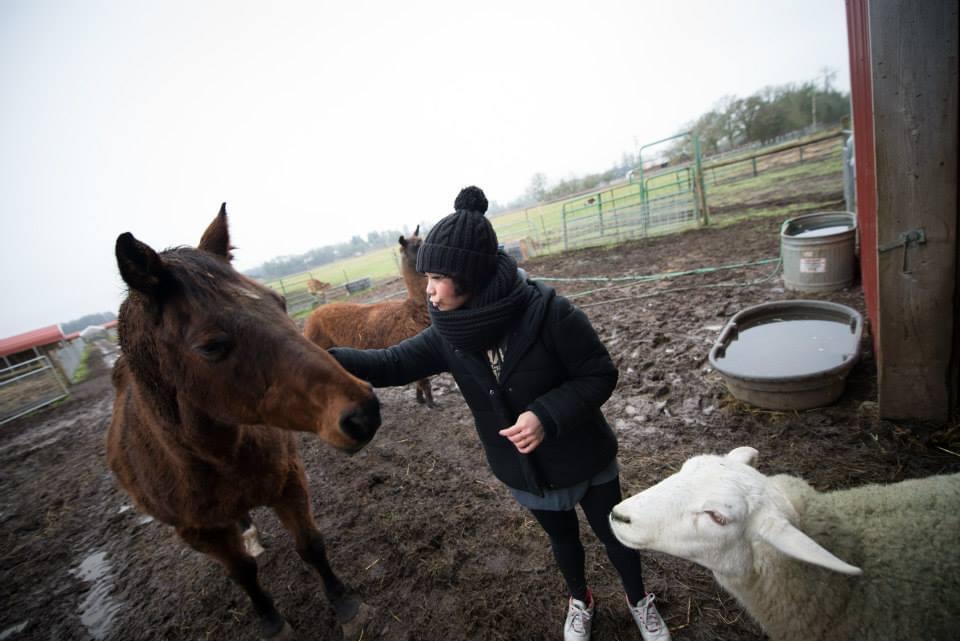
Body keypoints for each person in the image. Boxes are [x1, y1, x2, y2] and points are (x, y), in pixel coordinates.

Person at [328, 186, 671, 641]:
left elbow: (598, 374)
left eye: (436, 277)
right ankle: (581, 600)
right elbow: (391, 364)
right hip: (524, 469)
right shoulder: (448, 333)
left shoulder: (549, 313)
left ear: (468, 276)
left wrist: (545, 416)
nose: (427, 289)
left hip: (585, 456)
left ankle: (638, 600)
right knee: (563, 542)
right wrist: (319, 358)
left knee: (616, 535)